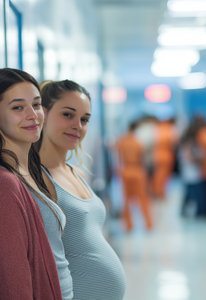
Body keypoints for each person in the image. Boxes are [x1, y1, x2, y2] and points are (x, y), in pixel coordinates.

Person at [0, 68, 63, 300]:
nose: (33, 115)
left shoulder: (30, 171)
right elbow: (13, 282)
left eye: (36, 104)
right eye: (17, 108)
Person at [36, 79, 126, 300]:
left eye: (85, 119)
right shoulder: (37, 179)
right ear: (43, 114)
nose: (78, 126)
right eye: (68, 115)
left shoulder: (76, 172)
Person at [116, 121, 153, 232]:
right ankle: (148, 224)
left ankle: (128, 225)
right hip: (137, 170)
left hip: (125, 170)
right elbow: (143, 159)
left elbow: (118, 158)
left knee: (126, 199)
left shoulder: (121, 142)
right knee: (143, 198)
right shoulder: (138, 142)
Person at [152, 117, 178, 199]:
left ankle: (157, 191)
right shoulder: (170, 129)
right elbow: (174, 143)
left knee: (158, 174)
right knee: (164, 175)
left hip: (157, 155)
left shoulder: (157, 129)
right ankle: (160, 192)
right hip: (167, 155)